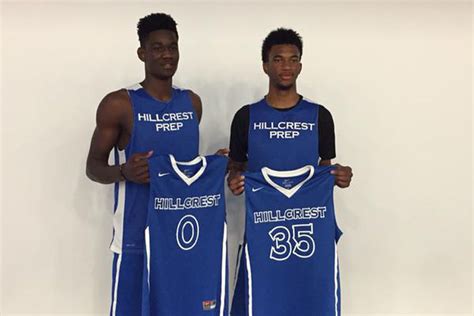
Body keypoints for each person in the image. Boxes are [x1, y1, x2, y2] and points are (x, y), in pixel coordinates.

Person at [227, 28, 353, 315]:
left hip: (309, 231)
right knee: (259, 302)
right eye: (279, 59)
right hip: (263, 231)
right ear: (265, 65)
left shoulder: (320, 116)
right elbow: (235, 168)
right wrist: (234, 180)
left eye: (293, 59)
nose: (287, 67)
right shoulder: (246, 117)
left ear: (300, 65)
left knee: (310, 300)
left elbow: (326, 170)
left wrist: (339, 177)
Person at [86, 13, 205, 316]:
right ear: (142, 53)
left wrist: (213, 165)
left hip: (181, 238)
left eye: (173, 47)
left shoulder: (192, 103)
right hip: (134, 238)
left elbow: (186, 169)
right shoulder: (120, 103)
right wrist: (124, 171)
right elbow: (94, 167)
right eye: (158, 48)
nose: (167, 54)